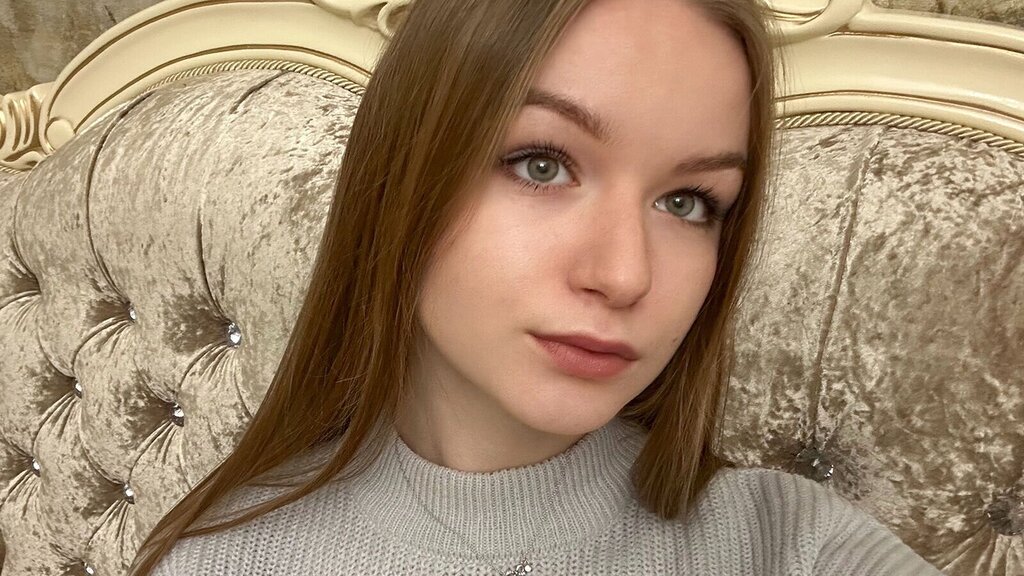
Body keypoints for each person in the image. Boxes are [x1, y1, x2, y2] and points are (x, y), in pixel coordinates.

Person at [130, 0, 944, 574]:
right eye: (542, 164)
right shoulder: (219, 557)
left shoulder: (790, 546)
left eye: (688, 203)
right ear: (404, 176)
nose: (624, 275)